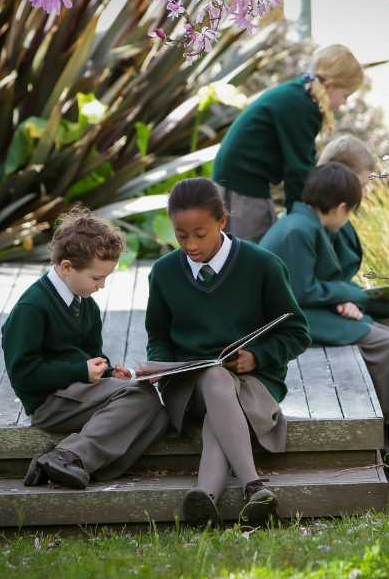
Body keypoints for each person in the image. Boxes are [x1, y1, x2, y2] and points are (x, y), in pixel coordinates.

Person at [260, 163, 389, 473]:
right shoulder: (297, 228)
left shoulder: (308, 224)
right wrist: (348, 296)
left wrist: (350, 298)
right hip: (296, 321)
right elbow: (301, 292)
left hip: (321, 311)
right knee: (388, 343)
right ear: (341, 208)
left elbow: (317, 286)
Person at [140, 177, 311, 527]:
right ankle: (253, 486)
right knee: (215, 379)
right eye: (180, 234)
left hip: (253, 382)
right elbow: (158, 334)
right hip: (188, 388)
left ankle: (205, 498)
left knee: (219, 401)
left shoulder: (263, 265)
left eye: (200, 233)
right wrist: (161, 365)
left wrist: (258, 357)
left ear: (222, 221)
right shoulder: (163, 273)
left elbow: (298, 333)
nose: (190, 244)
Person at [1, 206, 170, 490]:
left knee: (160, 416)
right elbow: (23, 373)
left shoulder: (86, 304)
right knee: (143, 397)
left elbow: (93, 356)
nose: (101, 285)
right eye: (96, 277)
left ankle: (64, 465)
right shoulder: (32, 307)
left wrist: (110, 373)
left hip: (77, 393)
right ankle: (70, 456)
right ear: (67, 267)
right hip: (50, 402)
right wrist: (80, 371)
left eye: (105, 278)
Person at [212, 44, 364, 243]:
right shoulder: (303, 105)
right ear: (329, 86)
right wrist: (301, 221)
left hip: (236, 176)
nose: (344, 102)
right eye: (346, 95)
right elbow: (298, 169)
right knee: (256, 253)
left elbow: (306, 160)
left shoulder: (301, 95)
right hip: (243, 180)